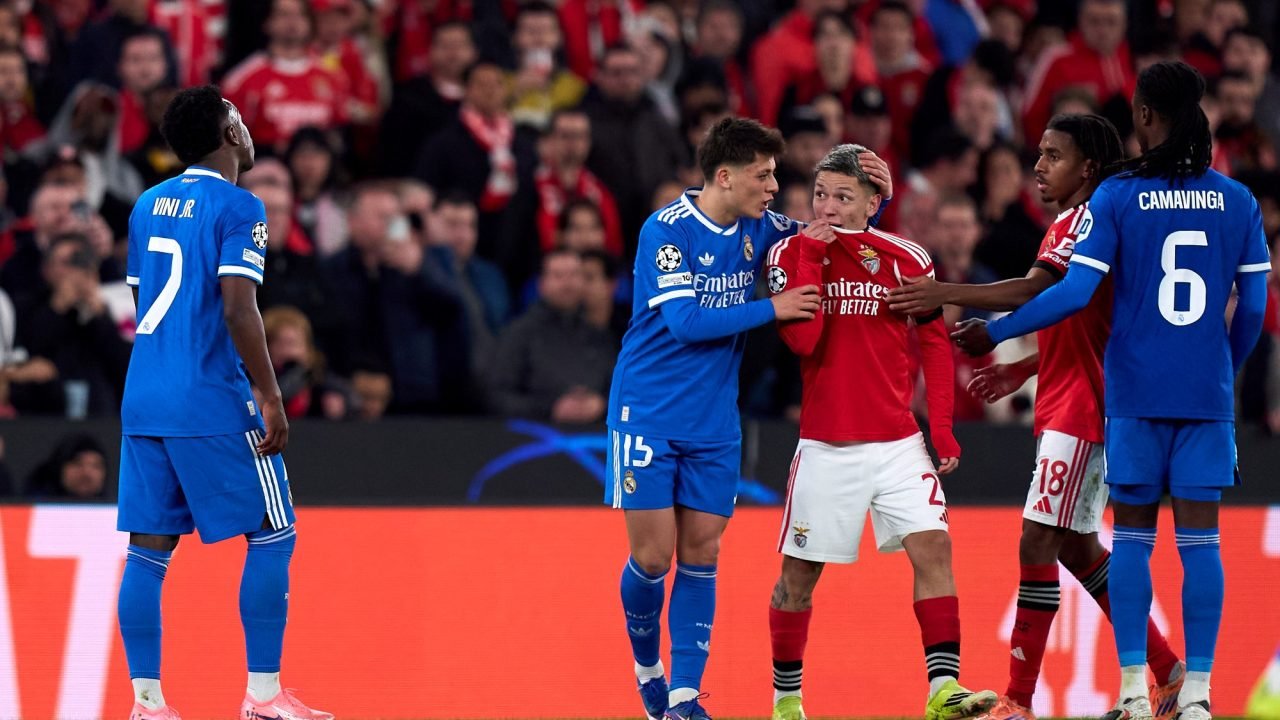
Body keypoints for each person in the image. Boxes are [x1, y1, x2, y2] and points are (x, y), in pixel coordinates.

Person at [951, 62, 1271, 720]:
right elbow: (1256, 310)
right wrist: (1221, 369)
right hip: (1198, 398)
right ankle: (1192, 688)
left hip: (1117, 399)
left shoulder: (1116, 203)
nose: (1038, 165)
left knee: (1096, 542)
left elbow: (1069, 294)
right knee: (1191, 545)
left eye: (1051, 154)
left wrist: (993, 328)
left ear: (1147, 118)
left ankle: (1086, 692)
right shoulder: (1235, 199)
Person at [887, 114, 1186, 719]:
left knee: (1036, 539)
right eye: (1040, 154)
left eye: (1054, 156)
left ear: (1089, 167)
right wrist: (1025, 370)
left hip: (1084, 406)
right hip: (1072, 392)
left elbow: (1035, 291)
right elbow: (1083, 316)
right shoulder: (1083, 219)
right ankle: (1167, 668)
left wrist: (946, 292)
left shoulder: (1086, 219)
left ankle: (1018, 702)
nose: (1040, 166)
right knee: (1076, 548)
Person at [607, 116, 894, 720]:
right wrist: (774, 306)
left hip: (715, 422)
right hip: (649, 414)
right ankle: (646, 665)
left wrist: (876, 198)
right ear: (724, 175)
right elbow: (685, 325)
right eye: (763, 176)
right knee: (655, 558)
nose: (773, 187)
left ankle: (684, 697)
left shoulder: (764, 228)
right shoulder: (667, 231)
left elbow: (836, 234)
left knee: (703, 553)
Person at [115, 85, 330, 719]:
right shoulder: (241, 206)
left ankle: (147, 705)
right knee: (274, 534)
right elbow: (239, 306)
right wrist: (269, 393)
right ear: (229, 131)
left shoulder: (146, 205)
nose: (245, 119)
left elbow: (141, 304)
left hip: (145, 394)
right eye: (237, 111)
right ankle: (263, 697)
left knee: (147, 550)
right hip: (210, 395)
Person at [763, 144, 994, 720]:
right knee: (798, 577)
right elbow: (802, 343)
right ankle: (786, 701)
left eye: (844, 196)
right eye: (821, 194)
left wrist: (940, 428)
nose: (829, 206)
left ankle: (944, 691)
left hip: (897, 443)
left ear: (873, 202)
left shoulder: (907, 257)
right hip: (826, 444)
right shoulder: (789, 253)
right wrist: (813, 257)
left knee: (934, 548)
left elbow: (935, 345)